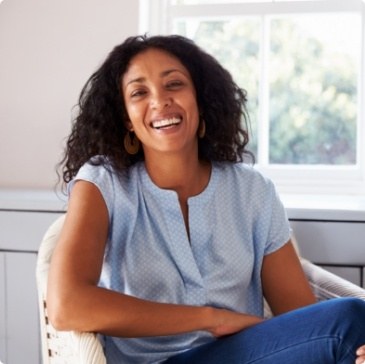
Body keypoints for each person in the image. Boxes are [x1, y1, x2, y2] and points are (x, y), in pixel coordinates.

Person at [47, 34, 365, 364]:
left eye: (174, 84)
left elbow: (303, 318)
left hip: (249, 355)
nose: (160, 101)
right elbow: (66, 305)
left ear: (200, 98)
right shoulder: (104, 183)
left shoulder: (252, 191)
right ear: (126, 117)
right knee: (351, 320)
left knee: (352, 330)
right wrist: (210, 318)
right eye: (139, 92)